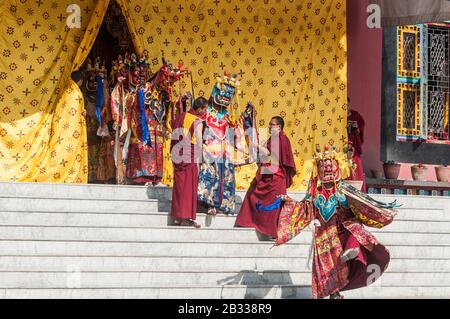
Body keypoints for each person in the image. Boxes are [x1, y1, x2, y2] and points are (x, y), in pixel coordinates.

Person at [275, 144, 397, 299]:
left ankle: (353, 250)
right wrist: (287, 201)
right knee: (328, 269)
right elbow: (304, 210)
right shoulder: (314, 193)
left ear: (337, 168)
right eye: (324, 167)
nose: (327, 170)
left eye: (330, 167)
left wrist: (380, 211)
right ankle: (334, 294)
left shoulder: (344, 189)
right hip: (323, 237)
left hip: (341, 232)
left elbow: (360, 205)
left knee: (354, 229)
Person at [235, 116, 296, 238]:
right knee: (253, 194)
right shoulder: (274, 138)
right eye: (269, 124)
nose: (269, 126)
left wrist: (257, 146)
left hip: (276, 178)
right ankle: (250, 221)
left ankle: (273, 232)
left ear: (279, 127)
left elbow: (270, 154)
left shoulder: (281, 138)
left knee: (274, 206)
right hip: (268, 174)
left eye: (272, 124)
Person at [170, 97, 208, 228]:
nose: (205, 112)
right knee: (188, 186)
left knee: (180, 185)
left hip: (177, 153)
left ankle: (177, 217)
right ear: (200, 109)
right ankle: (186, 217)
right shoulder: (197, 121)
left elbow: (172, 129)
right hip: (189, 154)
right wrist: (201, 159)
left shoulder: (181, 116)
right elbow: (198, 141)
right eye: (205, 109)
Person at [347, 97, 366, 192]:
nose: (346, 108)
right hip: (343, 147)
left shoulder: (356, 115)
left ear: (350, 105)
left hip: (354, 148)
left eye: (348, 105)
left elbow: (360, 131)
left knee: (356, 166)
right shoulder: (339, 116)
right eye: (344, 106)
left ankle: (359, 190)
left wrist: (356, 127)